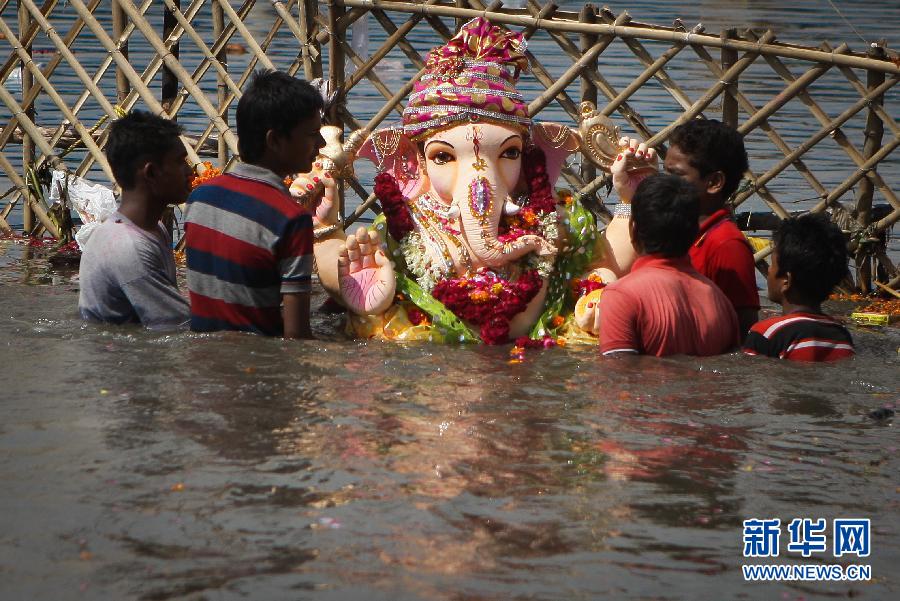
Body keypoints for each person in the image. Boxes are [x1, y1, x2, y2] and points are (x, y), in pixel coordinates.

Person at [185, 70, 325, 338]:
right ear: (275, 140)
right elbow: (297, 337)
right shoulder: (290, 218)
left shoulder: (200, 197)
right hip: (258, 369)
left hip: (202, 360)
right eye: (312, 134)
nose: (320, 144)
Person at [598, 174, 739, 357]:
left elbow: (618, 378)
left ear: (633, 229)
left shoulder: (621, 297)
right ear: (694, 232)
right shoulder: (721, 301)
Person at [78, 110, 191, 328]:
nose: (189, 170)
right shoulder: (129, 248)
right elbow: (180, 328)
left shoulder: (155, 229)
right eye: (180, 162)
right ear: (150, 173)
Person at [663, 119, 760, 335]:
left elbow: (743, 331)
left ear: (714, 182)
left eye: (676, 175)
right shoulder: (679, 229)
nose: (665, 183)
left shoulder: (726, 245)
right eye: (665, 172)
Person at [743, 213, 854, 361]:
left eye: (772, 265)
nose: (769, 270)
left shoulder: (765, 333)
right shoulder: (842, 335)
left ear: (786, 281)